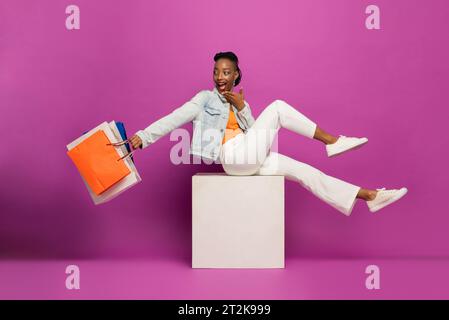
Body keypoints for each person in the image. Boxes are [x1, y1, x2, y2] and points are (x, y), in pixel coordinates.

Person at [128, 51, 407, 216]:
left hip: (248, 157)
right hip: (231, 156)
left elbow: (254, 134)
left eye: (226, 72)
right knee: (277, 108)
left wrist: (242, 108)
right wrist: (143, 137)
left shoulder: (240, 103)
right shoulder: (204, 99)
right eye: (216, 72)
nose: (220, 77)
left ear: (237, 75)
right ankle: (333, 141)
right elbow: (174, 117)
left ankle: (369, 196)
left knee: (305, 171)